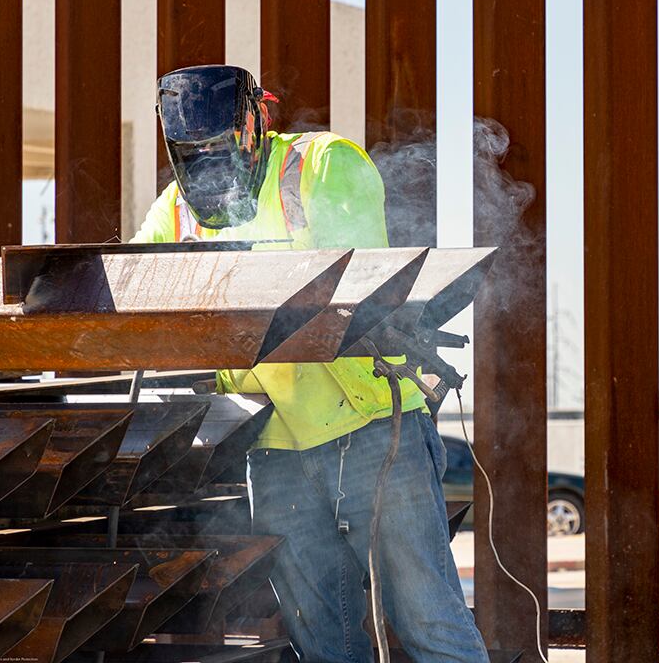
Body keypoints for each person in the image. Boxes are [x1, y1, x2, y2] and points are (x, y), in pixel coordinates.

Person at [132, 64, 488, 663]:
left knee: (431, 625)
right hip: (273, 450)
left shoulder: (322, 166)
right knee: (323, 641)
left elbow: (353, 300)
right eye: (194, 155)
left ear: (256, 121)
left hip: (372, 434)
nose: (210, 167)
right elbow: (139, 293)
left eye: (220, 149)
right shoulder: (174, 211)